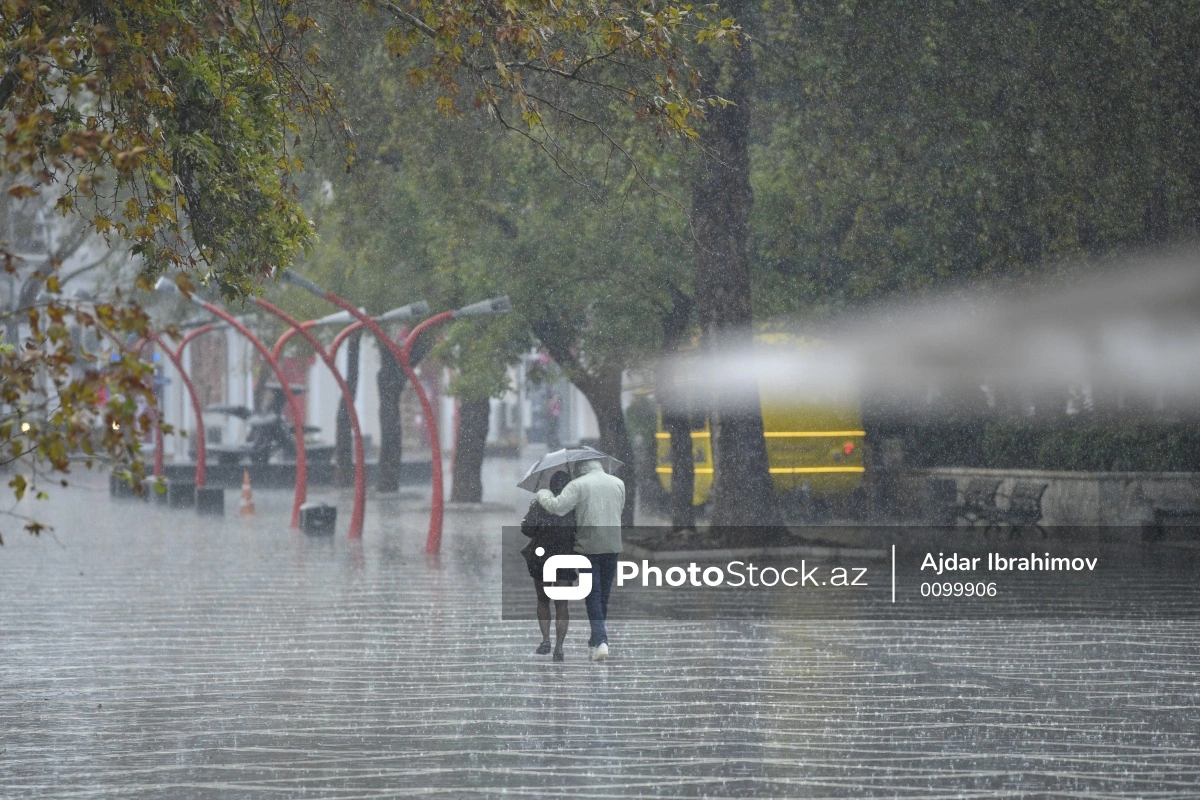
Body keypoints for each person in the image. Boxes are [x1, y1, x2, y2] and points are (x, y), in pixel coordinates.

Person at [536, 458, 625, 662]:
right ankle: (595, 641)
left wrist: (543, 493)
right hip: (612, 545)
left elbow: (557, 507)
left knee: (593, 595)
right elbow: (617, 511)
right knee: (603, 597)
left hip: (589, 547)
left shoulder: (578, 485)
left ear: (579, 469)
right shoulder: (618, 483)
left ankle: (601, 640)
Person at [521, 471, 576, 662]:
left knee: (543, 600)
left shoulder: (540, 505)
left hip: (541, 558)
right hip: (565, 559)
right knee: (562, 604)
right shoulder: (573, 506)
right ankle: (559, 648)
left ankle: (546, 640)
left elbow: (526, 528)